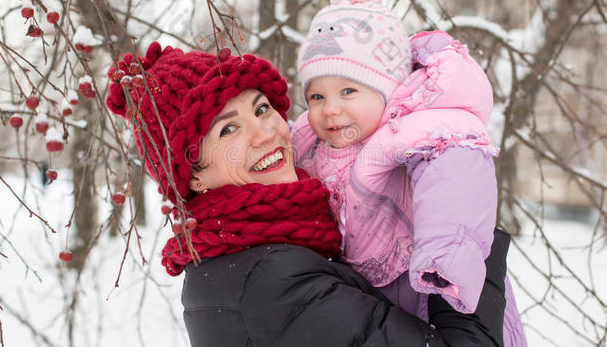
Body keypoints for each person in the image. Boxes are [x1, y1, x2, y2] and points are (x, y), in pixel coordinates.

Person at [106, 42, 510, 346]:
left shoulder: (235, 260)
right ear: (192, 176)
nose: (267, 132)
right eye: (228, 129)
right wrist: (465, 225)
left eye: (262, 109)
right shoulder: (273, 279)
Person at [292, 0, 526, 346]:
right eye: (317, 96)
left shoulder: (424, 132)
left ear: (387, 91)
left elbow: (458, 183)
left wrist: (446, 258)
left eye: (348, 92)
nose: (330, 109)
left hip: (436, 290)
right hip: (374, 307)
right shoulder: (310, 145)